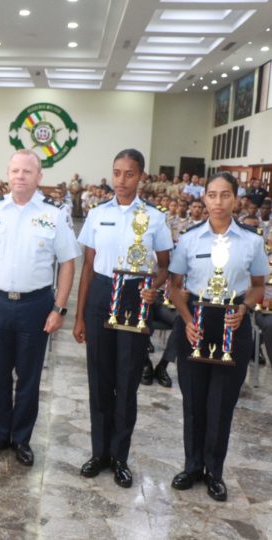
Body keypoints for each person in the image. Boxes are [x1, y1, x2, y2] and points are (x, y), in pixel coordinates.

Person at [0, 150, 80, 463]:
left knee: (29, 376)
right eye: (15, 171)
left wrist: (59, 309)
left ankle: (21, 439)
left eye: (27, 172)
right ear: (8, 174)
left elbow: (68, 263)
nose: (20, 176)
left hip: (36, 305)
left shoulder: (54, 215)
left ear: (39, 177)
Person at [73, 148, 173, 487]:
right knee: (99, 380)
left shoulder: (155, 218)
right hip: (101, 294)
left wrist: (154, 287)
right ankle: (99, 452)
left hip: (134, 297)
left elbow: (164, 266)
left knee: (126, 381)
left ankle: (119, 457)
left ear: (141, 176)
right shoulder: (97, 214)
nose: (121, 180)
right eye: (117, 173)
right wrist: (80, 316)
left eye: (129, 173)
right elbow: (87, 266)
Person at [168, 171, 267, 501]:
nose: (218, 202)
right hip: (196, 320)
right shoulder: (190, 238)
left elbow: (257, 287)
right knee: (194, 400)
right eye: (212, 195)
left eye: (225, 195)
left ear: (236, 199)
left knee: (221, 404)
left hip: (231, 324)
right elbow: (176, 286)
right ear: (204, 198)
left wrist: (245, 308)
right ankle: (192, 465)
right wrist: (185, 319)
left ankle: (215, 471)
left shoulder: (251, 241)